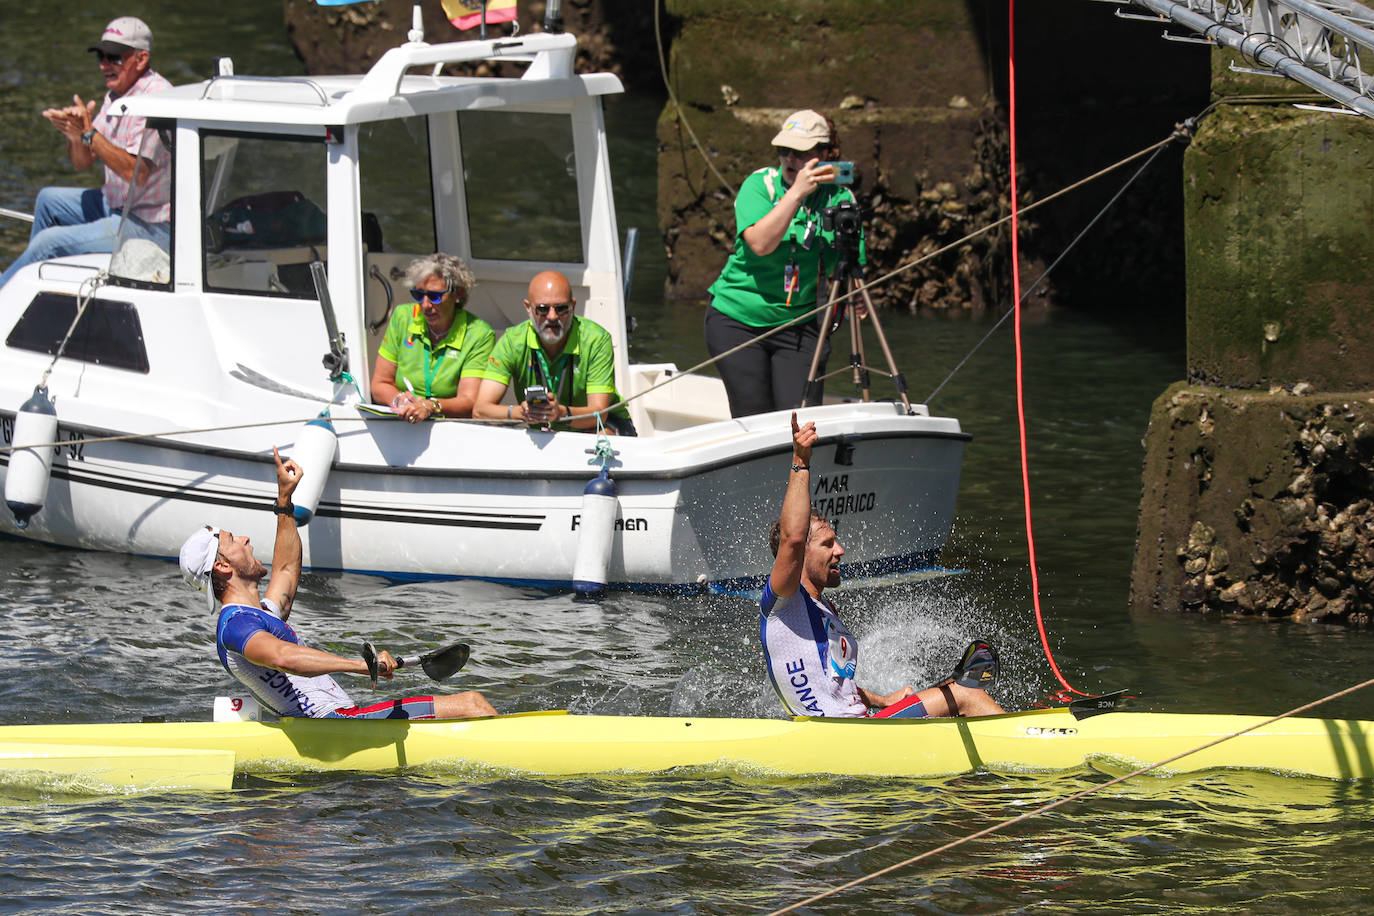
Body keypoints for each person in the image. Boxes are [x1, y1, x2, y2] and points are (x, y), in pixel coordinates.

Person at [179, 448, 497, 719]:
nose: (246, 538)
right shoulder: (234, 626)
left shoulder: (262, 614)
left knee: (469, 705)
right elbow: (282, 658)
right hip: (333, 723)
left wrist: (284, 500)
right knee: (472, 704)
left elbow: (287, 567)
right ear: (221, 565)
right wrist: (362, 666)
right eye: (233, 540)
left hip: (344, 717)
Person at [760, 413, 1005, 719]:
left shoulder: (826, 612)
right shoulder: (784, 600)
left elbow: (839, 686)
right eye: (827, 544)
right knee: (966, 693)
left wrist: (884, 700)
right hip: (844, 736)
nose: (840, 550)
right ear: (799, 557)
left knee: (949, 688)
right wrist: (801, 461)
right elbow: (792, 538)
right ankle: (1035, 742)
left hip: (859, 727)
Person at [705, 109, 867, 418]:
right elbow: (761, 244)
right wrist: (796, 195)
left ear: (823, 154)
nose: (790, 160)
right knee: (755, 415)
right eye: (784, 151)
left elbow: (851, 260)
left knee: (801, 420)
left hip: (800, 324)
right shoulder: (760, 185)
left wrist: (856, 288)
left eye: (800, 152)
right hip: (737, 318)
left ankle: (802, 467)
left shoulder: (840, 198)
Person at [0, 17, 173, 290]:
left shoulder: (156, 102)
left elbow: (134, 173)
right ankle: (40, 288)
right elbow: (83, 162)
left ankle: (6, 292)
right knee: (48, 200)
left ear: (141, 59)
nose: (105, 65)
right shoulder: (117, 94)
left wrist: (89, 133)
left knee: (50, 242)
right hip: (116, 204)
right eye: (101, 57)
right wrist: (75, 135)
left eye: (114, 57)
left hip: (146, 224)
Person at [472, 269, 636, 435]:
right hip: (544, 428)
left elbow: (598, 413)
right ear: (528, 308)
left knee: (601, 438)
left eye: (561, 308)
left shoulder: (596, 340)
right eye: (542, 309)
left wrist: (560, 413)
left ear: (573, 306)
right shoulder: (512, 342)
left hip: (599, 424)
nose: (552, 316)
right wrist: (521, 413)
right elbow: (480, 410)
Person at [371, 253, 495, 423]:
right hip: (402, 422)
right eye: (418, 294)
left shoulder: (479, 333)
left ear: (457, 294)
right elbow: (380, 384)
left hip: (450, 427)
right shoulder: (402, 316)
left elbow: (469, 401)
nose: (425, 305)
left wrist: (430, 406)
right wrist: (401, 400)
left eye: (435, 296)